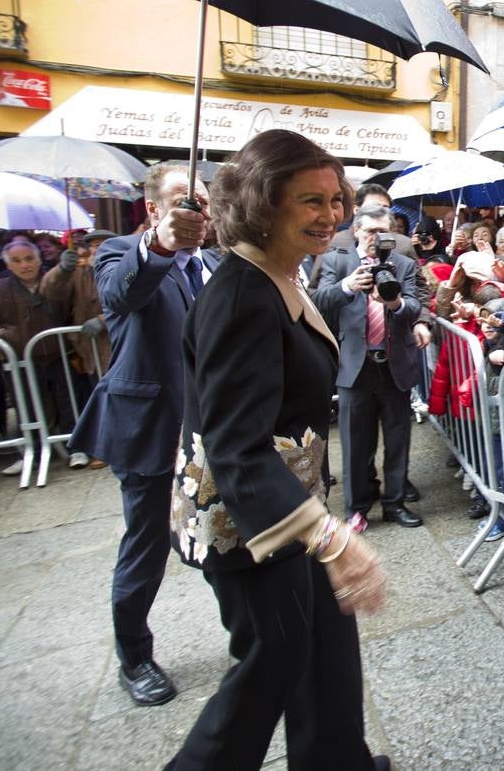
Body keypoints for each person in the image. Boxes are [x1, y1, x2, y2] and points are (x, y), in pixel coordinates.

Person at [166, 129, 388, 770]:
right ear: (264, 204)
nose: (331, 216)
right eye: (310, 202)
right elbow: (237, 447)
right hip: (247, 523)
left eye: (336, 199)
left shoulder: (273, 276)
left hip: (287, 512)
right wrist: (330, 538)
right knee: (273, 662)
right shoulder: (241, 293)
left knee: (326, 648)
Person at [69, 161, 217, 707]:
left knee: (226, 536)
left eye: (201, 199)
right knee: (147, 546)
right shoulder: (119, 253)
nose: (194, 209)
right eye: (182, 200)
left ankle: (254, 634)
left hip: (213, 431)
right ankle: (134, 656)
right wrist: (158, 244)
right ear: (154, 209)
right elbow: (120, 293)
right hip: (153, 428)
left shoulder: (217, 264)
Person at [313, 204, 430, 528]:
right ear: (356, 231)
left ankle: (394, 504)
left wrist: (394, 302)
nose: (376, 238)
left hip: (394, 365)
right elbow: (317, 302)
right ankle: (356, 510)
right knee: (354, 444)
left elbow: (416, 305)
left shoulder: (403, 264)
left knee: (398, 441)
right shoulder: (338, 261)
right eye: (370, 232)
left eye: (383, 233)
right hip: (355, 367)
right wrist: (347, 286)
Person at [0, 240, 75, 456]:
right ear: (8, 265)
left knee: (67, 400)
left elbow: (68, 306)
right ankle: (38, 449)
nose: (25, 265)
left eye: (29, 259)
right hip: (21, 358)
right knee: (29, 403)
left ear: (39, 260)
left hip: (58, 352)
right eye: (17, 261)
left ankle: (74, 445)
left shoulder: (54, 281)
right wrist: (1, 334)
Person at [41, 228, 115, 469]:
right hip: (89, 349)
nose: (96, 250)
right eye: (92, 246)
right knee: (96, 396)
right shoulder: (80, 273)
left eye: (102, 244)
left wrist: (103, 319)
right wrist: (61, 270)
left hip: (116, 343)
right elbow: (50, 294)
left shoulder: (122, 266)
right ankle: (103, 447)